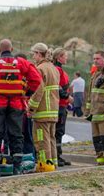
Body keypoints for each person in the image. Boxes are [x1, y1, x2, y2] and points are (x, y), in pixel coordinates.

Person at [0, 39, 41, 178]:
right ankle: (17, 168)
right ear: (12, 49)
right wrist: (26, 93)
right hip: (16, 104)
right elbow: (36, 79)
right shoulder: (22, 62)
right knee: (16, 135)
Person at [28, 43, 60, 172]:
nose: (33, 57)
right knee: (51, 139)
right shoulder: (53, 68)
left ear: (38, 54)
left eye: (34, 54)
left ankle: (44, 166)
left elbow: (38, 91)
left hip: (42, 111)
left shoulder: (40, 69)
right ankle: (53, 164)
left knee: (41, 140)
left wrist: (31, 108)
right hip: (53, 111)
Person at [52, 48, 72, 167]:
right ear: (59, 57)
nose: (67, 58)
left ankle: (58, 155)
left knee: (59, 132)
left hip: (62, 105)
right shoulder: (57, 70)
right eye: (65, 56)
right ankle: (56, 156)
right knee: (57, 132)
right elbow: (58, 87)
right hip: (59, 105)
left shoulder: (59, 69)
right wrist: (67, 97)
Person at [15, 53, 34, 157]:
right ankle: (27, 157)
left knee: (26, 136)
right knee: (23, 135)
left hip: (24, 109)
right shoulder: (23, 74)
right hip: (20, 109)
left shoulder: (25, 75)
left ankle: (28, 157)